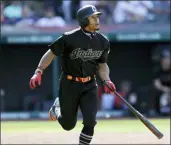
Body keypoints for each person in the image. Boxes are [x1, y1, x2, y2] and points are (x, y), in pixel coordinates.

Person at [29, 5, 116, 144]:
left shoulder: (103, 41)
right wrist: (38, 71)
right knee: (68, 125)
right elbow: (51, 54)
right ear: (84, 20)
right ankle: (57, 108)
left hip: (90, 85)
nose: (97, 20)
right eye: (93, 17)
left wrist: (106, 80)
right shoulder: (68, 38)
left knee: (90, 122)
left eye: (97, 17)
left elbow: (102, 65)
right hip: (69, 84)